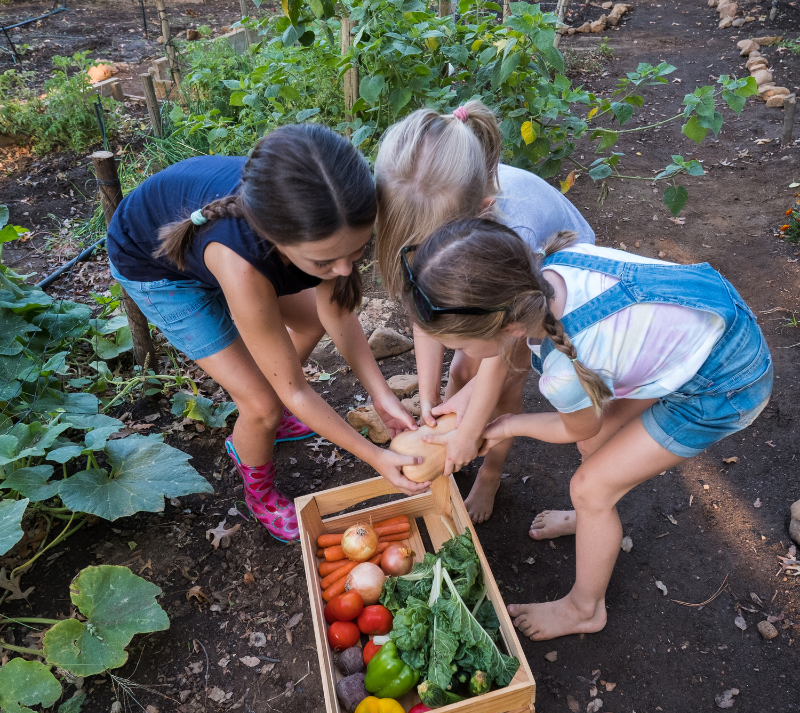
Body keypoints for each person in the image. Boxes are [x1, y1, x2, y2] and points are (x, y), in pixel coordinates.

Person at [403, 217, 773, 640]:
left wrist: (506, 425)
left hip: (723, 383)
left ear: (508, 327)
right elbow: (498, 358)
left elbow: (574, 428)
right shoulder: (544, 276)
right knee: (600, 444)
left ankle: (585, 608)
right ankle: (590, 521)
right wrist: (460, 410)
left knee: (590, 487)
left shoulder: (564, 370)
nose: (462, 356)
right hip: (704, 324)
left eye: (461, 346)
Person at [106, 124, 427, 543]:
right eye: (326, 262)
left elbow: (337, 316)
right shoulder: (244, 264)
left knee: (309, 322)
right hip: (154, 266)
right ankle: (259, 490)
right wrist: (375, 456)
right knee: (261, 405)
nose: (346, 269)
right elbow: (297, 392)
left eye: (357, 252)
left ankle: (267, 416)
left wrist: (383, 398)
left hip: (215, 249)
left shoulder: (327, 220)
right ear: (277, 240)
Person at [374, 100, 595, 524]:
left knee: (504, 383)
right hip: (488, 291)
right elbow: (426, 312)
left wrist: (472, 429)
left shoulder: (516, 234)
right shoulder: (428, 210)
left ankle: (490, 473)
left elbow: (502, 359)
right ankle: (457, 442)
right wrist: (428, 396)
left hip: (549, 292)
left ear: (480, 212)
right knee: (460, 374)